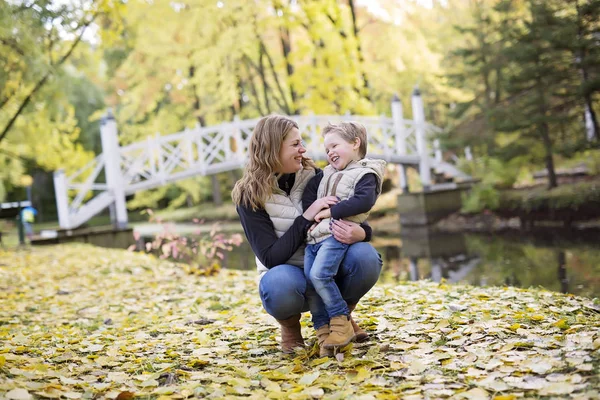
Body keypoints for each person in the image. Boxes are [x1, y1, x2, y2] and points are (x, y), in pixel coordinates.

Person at [231, 115, 382, 356]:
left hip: (327, 265)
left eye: (301, 143)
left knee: (365, 256)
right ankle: (290, 329)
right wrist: (306, 217)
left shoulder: (316, 175)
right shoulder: (249, 195)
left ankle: (340, 319)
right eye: (294, 144)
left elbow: (348, 215)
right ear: (272, 148)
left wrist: (363, 232)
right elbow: (271, 257)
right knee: (278, 283)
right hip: (290, 276)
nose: (303, 150)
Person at [302, 122, 385, 353]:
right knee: (311, 283)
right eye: (327, 149)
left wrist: (330, 212)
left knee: (320, 275)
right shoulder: (326, 174)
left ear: (355, 143)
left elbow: (364, 202)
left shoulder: (366, 173)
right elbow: (310, 200)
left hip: (334, 235)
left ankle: (341, 322)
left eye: (334, 145)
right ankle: (324, 332)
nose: (329, 152)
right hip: (314, 239)